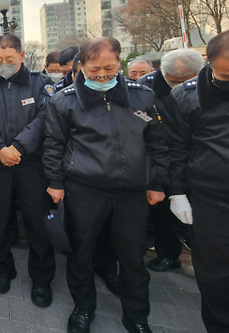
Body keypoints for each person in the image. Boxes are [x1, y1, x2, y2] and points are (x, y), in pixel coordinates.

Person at [43, 37, 169, 333]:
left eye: (109, 68)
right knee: (81, 253)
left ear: (120, 63)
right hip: (85, 190)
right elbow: (53, 146)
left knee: (132, 257)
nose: (102, 74)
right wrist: (55, 182)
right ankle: (84, 308)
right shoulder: (64, 101)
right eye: (94, 68)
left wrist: (158, 183)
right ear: (81, 66)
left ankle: (136, 316)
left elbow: (158, 144)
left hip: (132, 192)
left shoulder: (143, 97)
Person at [0, 34, 56, 307]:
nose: (4, 65)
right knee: (0, 218)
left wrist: (18, 147)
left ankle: (42, 278)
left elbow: (45, 118)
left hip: (31, 165)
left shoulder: (40, 82)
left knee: (37, 222)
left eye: (10, 60)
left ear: (21, 56)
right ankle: (3, 268)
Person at [166, 32, 229, 333]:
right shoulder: (186, 96)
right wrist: (177, 192)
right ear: (209, 63)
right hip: (211, 199)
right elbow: (177, 148)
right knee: (215, 276)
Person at [137, 49, 204, 273]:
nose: (182, 86)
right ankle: (168, 254)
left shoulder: (210, 84)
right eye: (175, 81)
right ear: (162, 72)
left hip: (198, 156)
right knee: (164, 212)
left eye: (189, 80)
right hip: (163, 154)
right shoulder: (146, 88)